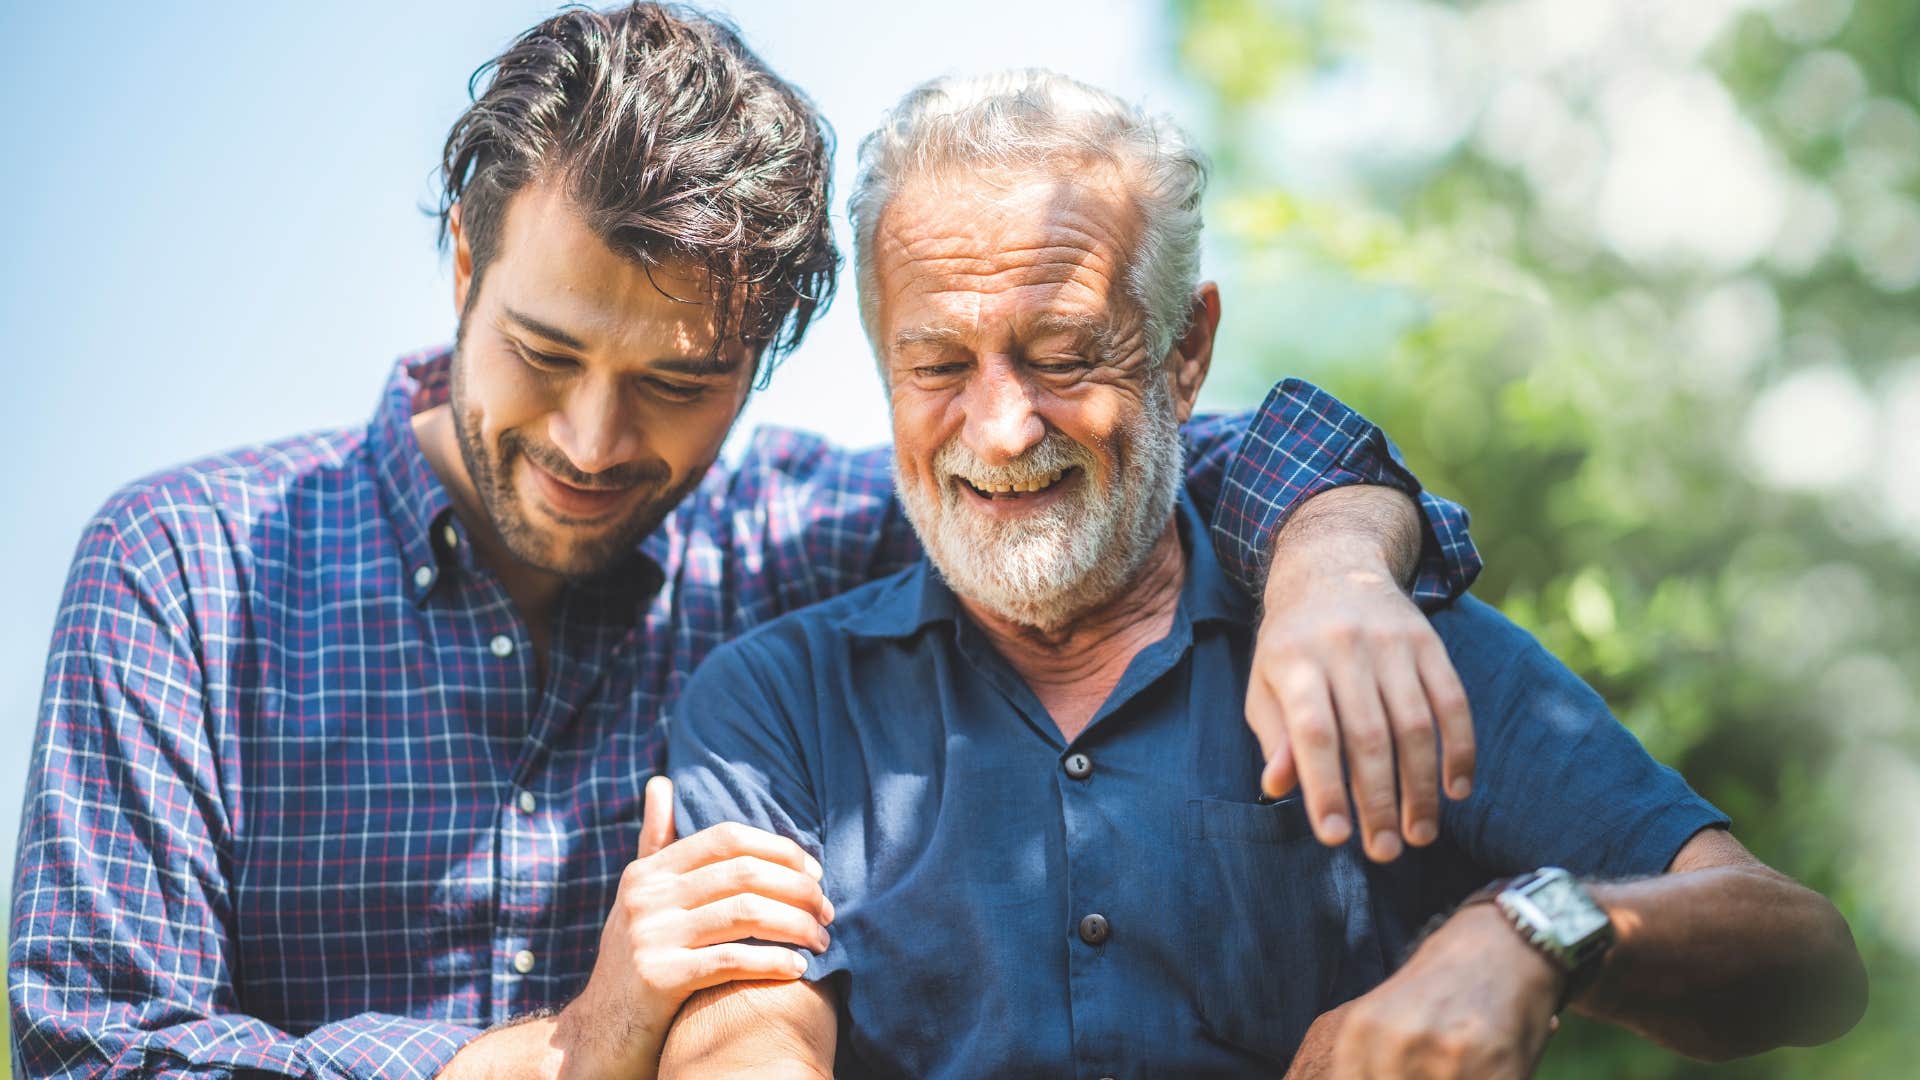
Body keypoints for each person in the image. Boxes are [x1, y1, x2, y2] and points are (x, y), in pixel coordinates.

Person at [8, 7, 1484, 1080]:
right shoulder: (184, 574)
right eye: (540, 353)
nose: (593, 443)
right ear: (463, 264)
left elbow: (1125, 458)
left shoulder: (806, 539)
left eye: (674, 385)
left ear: (769, 358)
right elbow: (92, 1054)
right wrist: (546, 1061)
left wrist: (1335, 560)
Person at [661, 69, 1869, 1078]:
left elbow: (1805, 960)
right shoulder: (777, 702)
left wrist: (1530, 933)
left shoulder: (1374, 641)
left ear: (1185, 351)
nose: (1002, 427)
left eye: (1066, 354)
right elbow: (746, 1032)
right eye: (935, 364)